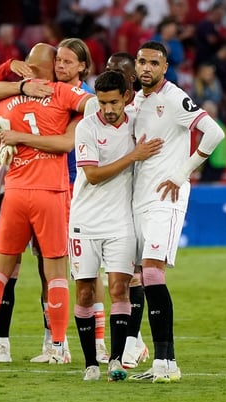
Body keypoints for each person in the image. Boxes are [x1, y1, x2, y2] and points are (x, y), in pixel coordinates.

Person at [128, 40, 224, 383]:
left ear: (164, 67)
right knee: (136, 276)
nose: (147, 68)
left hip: (165, 196)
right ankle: (154, 360)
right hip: (137, 199)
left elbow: (214, 133)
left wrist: (183, 173)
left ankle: (166, 362)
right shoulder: (135, 100)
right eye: (142, 62)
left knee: (152, 272)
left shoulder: (174, 97)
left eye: (154, 63)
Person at [0, 42, 92, 364]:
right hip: (51, 191)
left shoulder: (5, 102)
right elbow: (94, 105)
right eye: (58, 62)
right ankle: (59, 345)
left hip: (14, 191)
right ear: (51, 69)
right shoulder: (62, 93)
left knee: (0, 269)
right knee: (56, 270)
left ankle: (7, 344)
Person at [70, 69, 162, 381]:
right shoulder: (86, 127)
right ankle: (90, 364)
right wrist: (134, 156)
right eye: (102, 102)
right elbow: (93, 175)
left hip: (122, 222)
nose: (108, 109)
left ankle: (116, 361)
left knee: (120, 288)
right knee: (84, 292)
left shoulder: (138, 121)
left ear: (126, 97)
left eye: (113, 102)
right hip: (84, 220)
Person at [83, 51, 150, 369]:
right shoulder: (94, 117)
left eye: (118, 72)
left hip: (130, 212)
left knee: (128, 282)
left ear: (129, 86)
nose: (111, 73)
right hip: (91, 213)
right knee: (89, 286)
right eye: (108, 69)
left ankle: (130, 345)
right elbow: (93, 174)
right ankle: (99, 352)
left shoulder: (143, 117)